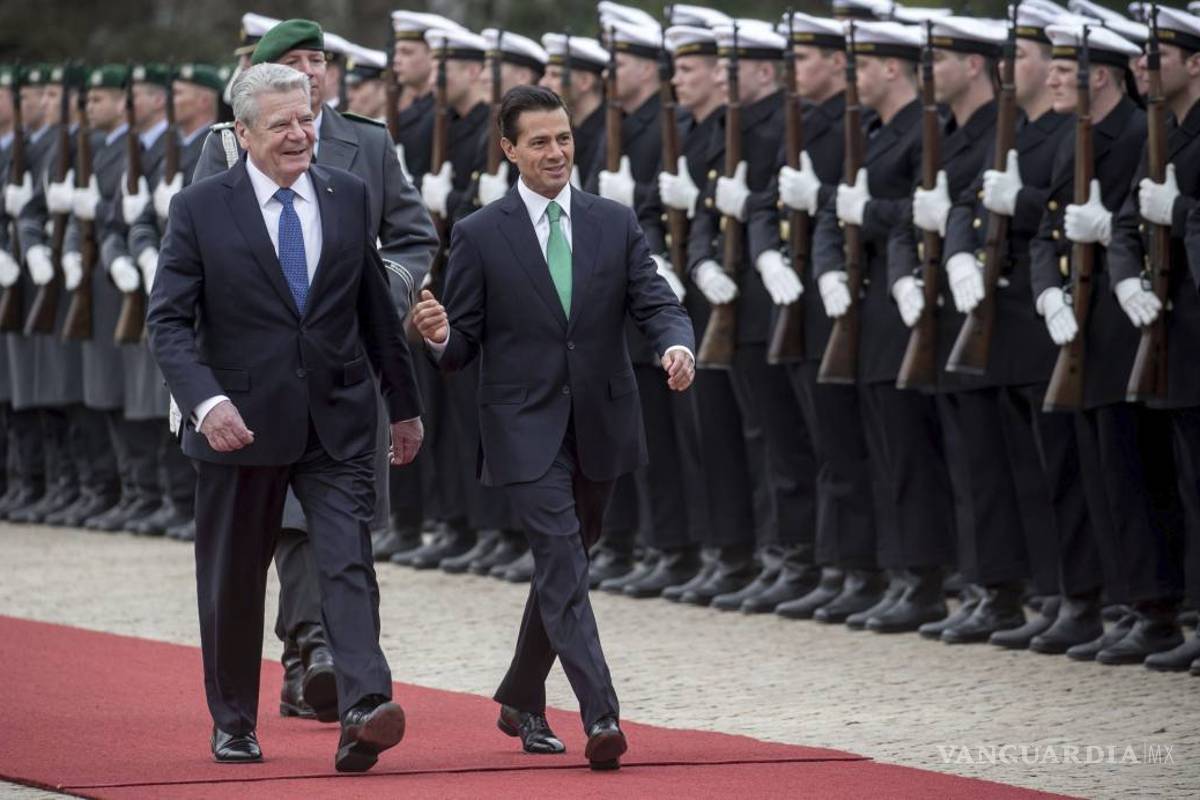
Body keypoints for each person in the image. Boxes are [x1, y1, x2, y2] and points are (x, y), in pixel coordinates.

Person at [148, 62, 424, 771]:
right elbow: (169, 325)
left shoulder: (347, 193)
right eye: (282, 124)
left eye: (307, 119)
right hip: (237, 422)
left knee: (348, 562)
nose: (301, 134)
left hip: (336, 418)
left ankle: (364, 707)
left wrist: (404, 406)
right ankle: (234, 718)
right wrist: (205, 403)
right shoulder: (201, 208)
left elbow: (373, 312)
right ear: (241, 134)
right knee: (234, 580)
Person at [412, 84, 694, 770]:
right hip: (522, 425)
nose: (556, 152)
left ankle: (520, 698)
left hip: (601, 419)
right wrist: (441, 336)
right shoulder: (480, 233)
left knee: (565, 562)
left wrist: (675, 343)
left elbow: (654, 300)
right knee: (563, 559)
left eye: (563, 138)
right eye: (538, 141)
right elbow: (463, 344)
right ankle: (601, 712)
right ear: (509, 149)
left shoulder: (613, 221)